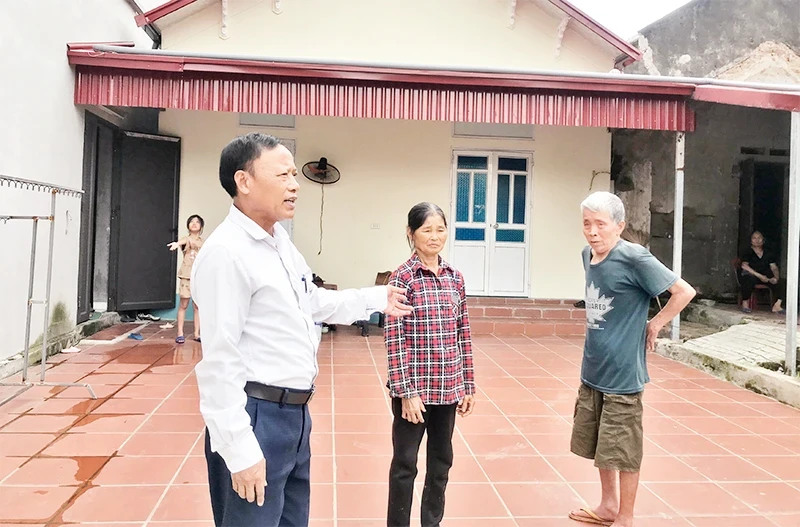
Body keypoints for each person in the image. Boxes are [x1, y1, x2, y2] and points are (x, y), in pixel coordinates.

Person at [191, 133, 413, 527]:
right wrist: (239, 448)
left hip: (293, 416)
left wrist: (375, 299)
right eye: (283, 175)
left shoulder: (280, 244)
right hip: (254, 416)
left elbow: (311, 303)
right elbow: (219, 361)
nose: (295, 184)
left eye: (295, 174)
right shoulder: (227, 253)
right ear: (244, 181)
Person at [569, 192, 695, 527]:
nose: (592, 231)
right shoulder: (588, 255)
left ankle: (625, 517)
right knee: (601, 443)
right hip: (594, 367)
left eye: (600, 224)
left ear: (619, 226)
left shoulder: (635, 257)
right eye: (587, 223)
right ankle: (608, 506)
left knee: (623, 448)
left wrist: (655, 323)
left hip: (624, 373)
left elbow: (684, 291)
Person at [384, 202, 476, 527]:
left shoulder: (455, 278)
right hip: (415, 394)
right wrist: (406, 392)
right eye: (427, 230)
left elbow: (463, 331)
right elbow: (394, 340)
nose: (435, 237)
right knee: (405, 464)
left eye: (440, 229)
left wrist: (468, 385)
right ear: (411, 234)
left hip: (448, 388)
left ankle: (431, 523)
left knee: (441, 462)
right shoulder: (402, 278)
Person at [168, 214, 205, 343]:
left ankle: (197, 333)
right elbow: (184, 242)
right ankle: (180, 333)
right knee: (184, 304)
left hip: (199, 277)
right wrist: (177, 243)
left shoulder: (204, 242)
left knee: (197, 306)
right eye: (192, 222)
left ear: (201, 226)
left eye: (197, 222)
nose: (194, 223)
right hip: (186, 276)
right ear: (188, 225)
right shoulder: (186, 239)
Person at [739, 231, 786, 314]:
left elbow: (774, 267)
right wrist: (759, 276)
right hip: (752, 274)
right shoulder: (747, 251)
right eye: (754, 238)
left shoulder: (768, 253)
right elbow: (744, 266)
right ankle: (745, 304)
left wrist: (776, 277)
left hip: (765, 276)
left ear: (763, 240)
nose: (757, 240)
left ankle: (777, 305)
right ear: (751, 240)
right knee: (748, 279)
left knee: (782, 282)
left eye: (759, 238)